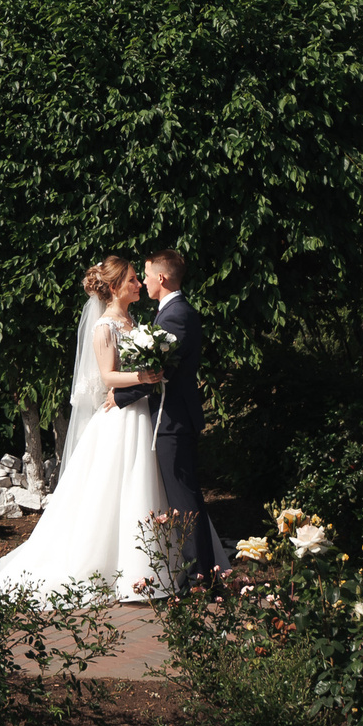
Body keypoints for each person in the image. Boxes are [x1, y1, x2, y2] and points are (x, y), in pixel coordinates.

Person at [0, 256, 171, 601]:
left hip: (138, 411)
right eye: (133, 280)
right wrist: (144, 376)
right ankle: (113, 565)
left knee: (140, 482)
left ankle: (148, 563)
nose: (139, 284)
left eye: (140, 279)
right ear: (114, 288)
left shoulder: (132, 319)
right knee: (114, 488)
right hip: (120, 415)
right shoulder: (104, 326)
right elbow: (107, 375)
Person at [110, 248, 221, 579]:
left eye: (145, 275)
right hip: (173, 418)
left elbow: (160, 372)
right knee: (185, 498)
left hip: (172, 420)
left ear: (161, 278)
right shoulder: (172, 312)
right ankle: (201, 572)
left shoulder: (175, 316)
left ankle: (199, 577)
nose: (143, 281)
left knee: (184, 501)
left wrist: (119, 397)